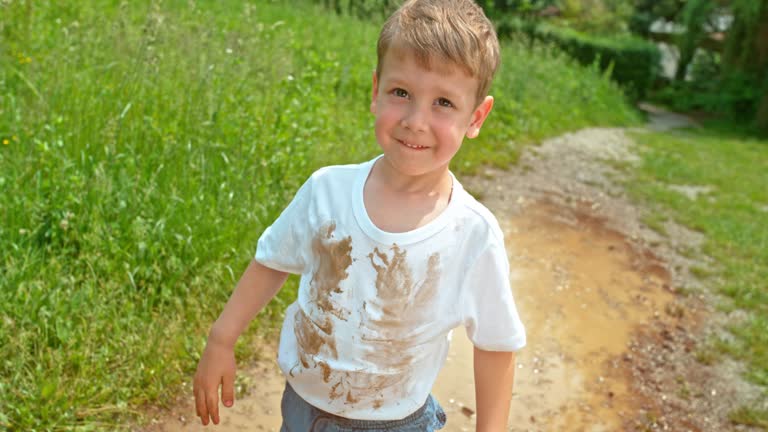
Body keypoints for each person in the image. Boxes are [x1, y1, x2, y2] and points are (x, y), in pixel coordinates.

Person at [193, 0, 526, 430]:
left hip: (397, 422)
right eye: (401, 93)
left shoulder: (471, 234)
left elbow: (496, 345)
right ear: (375, 91)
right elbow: (272, 260)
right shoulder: (327, 191)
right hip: (303, 411)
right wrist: (221, 339)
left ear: (476, 117)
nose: (415, 120)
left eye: (443, 102)